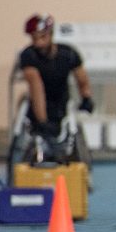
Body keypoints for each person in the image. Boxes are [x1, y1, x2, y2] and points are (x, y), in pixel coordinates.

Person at [20, 13, 94, 141]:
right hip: (37, 106)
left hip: (61, 101)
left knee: (70, 125)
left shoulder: (68, 54)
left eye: (42, 37)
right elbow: (35, 85)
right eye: (34, 39)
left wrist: (86, 97)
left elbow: (82, 79)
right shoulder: (29, 55)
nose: (39, 43)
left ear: (50, 34)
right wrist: (42, 121)